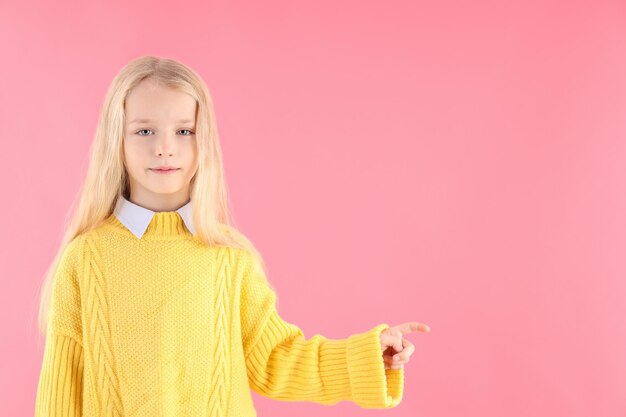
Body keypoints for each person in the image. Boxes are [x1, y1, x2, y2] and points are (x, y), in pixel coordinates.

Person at [34, 55, 431, 416]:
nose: (165, 148)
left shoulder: (229, 257)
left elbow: (275, 359)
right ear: (116, 141)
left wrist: (365, 357)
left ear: (203, 140)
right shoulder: (86, 259)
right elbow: (61, 392)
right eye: (144, 131)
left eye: (184, 131)